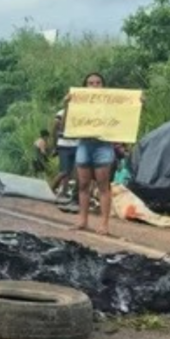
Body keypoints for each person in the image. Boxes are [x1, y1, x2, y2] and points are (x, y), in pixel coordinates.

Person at [70, 72, 115, 235]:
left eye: (98, 83)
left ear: (103, 85)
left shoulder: (111, 103)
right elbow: (67, 123)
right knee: (82, 184)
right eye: (91, 83)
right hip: (84, 144)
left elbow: (125, 116)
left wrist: (137, 103)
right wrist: (67, 103)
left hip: (103, 146)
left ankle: (104, 224)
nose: (94, 86)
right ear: (85, 86)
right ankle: (83, 220)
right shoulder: (78, 103)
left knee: (103, 186)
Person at [50, 102, 78, 200]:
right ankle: (50, 189)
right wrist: (55, 146)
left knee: (70, 172)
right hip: (64, 145)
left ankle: (64, 192)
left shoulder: (80, 113)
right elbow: (54, 129)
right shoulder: (61, 113)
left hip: (76, 145)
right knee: (64, 171)